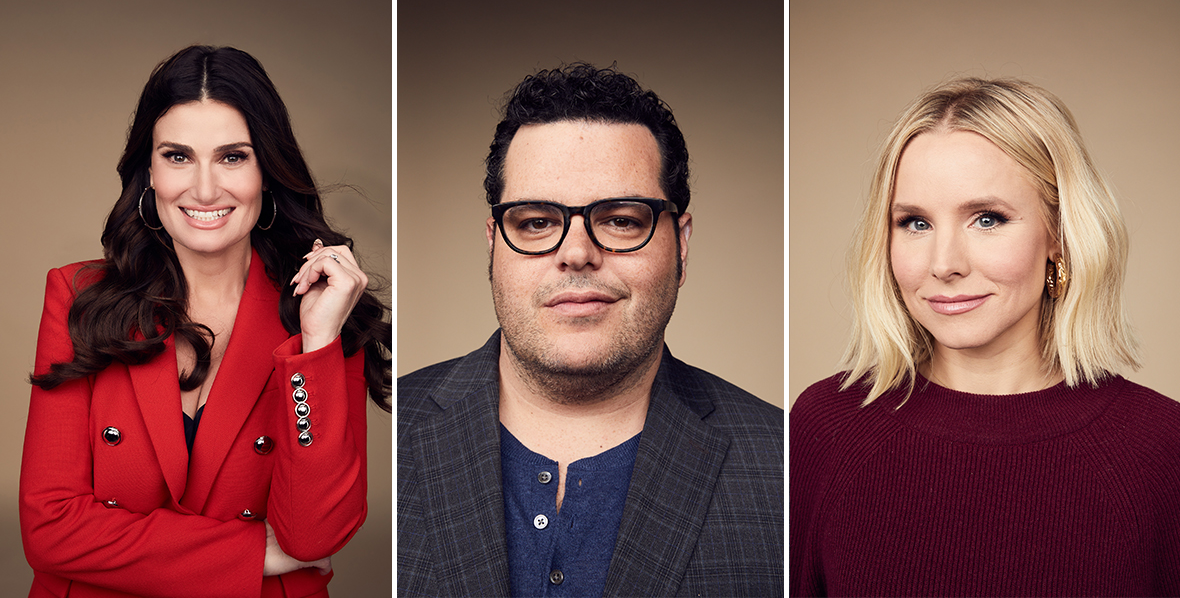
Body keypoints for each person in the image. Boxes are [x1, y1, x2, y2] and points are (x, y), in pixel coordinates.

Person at [397, 63, 784, 597]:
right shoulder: (390, 430)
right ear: (493, 245)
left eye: (621, 220)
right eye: (535, 223)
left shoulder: (786, 466)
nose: (577, 253)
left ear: (682, 245)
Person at [19, 45, 391, 597]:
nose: (205, 189)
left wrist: (316, 344)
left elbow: (314, 534)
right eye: (178, 156)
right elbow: (49, 529)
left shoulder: (324, 309)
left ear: (268, 169)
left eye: (232, 157)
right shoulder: (78, 297)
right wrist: (250, 553)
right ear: (148, 169)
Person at [790, 77, 1180, 597]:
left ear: (1059, 237)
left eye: (987, 219)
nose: (944, 264)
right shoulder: (823, 428)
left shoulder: (1161, 447)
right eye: (914, 223)